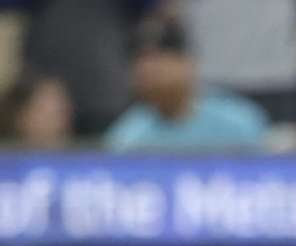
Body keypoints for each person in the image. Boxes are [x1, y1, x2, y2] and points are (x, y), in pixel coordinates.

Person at [103, 16, 269, 152]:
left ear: (188, 62)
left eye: (162, 58)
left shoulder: (238, 121)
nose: (151, 69)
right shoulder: (127, 137)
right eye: (142, 61)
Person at [0, 72, 74, 149]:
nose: (59, 123)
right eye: (48, 116)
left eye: (62, 111)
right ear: (21, 117)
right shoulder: (6, 157)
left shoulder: (81, 157)